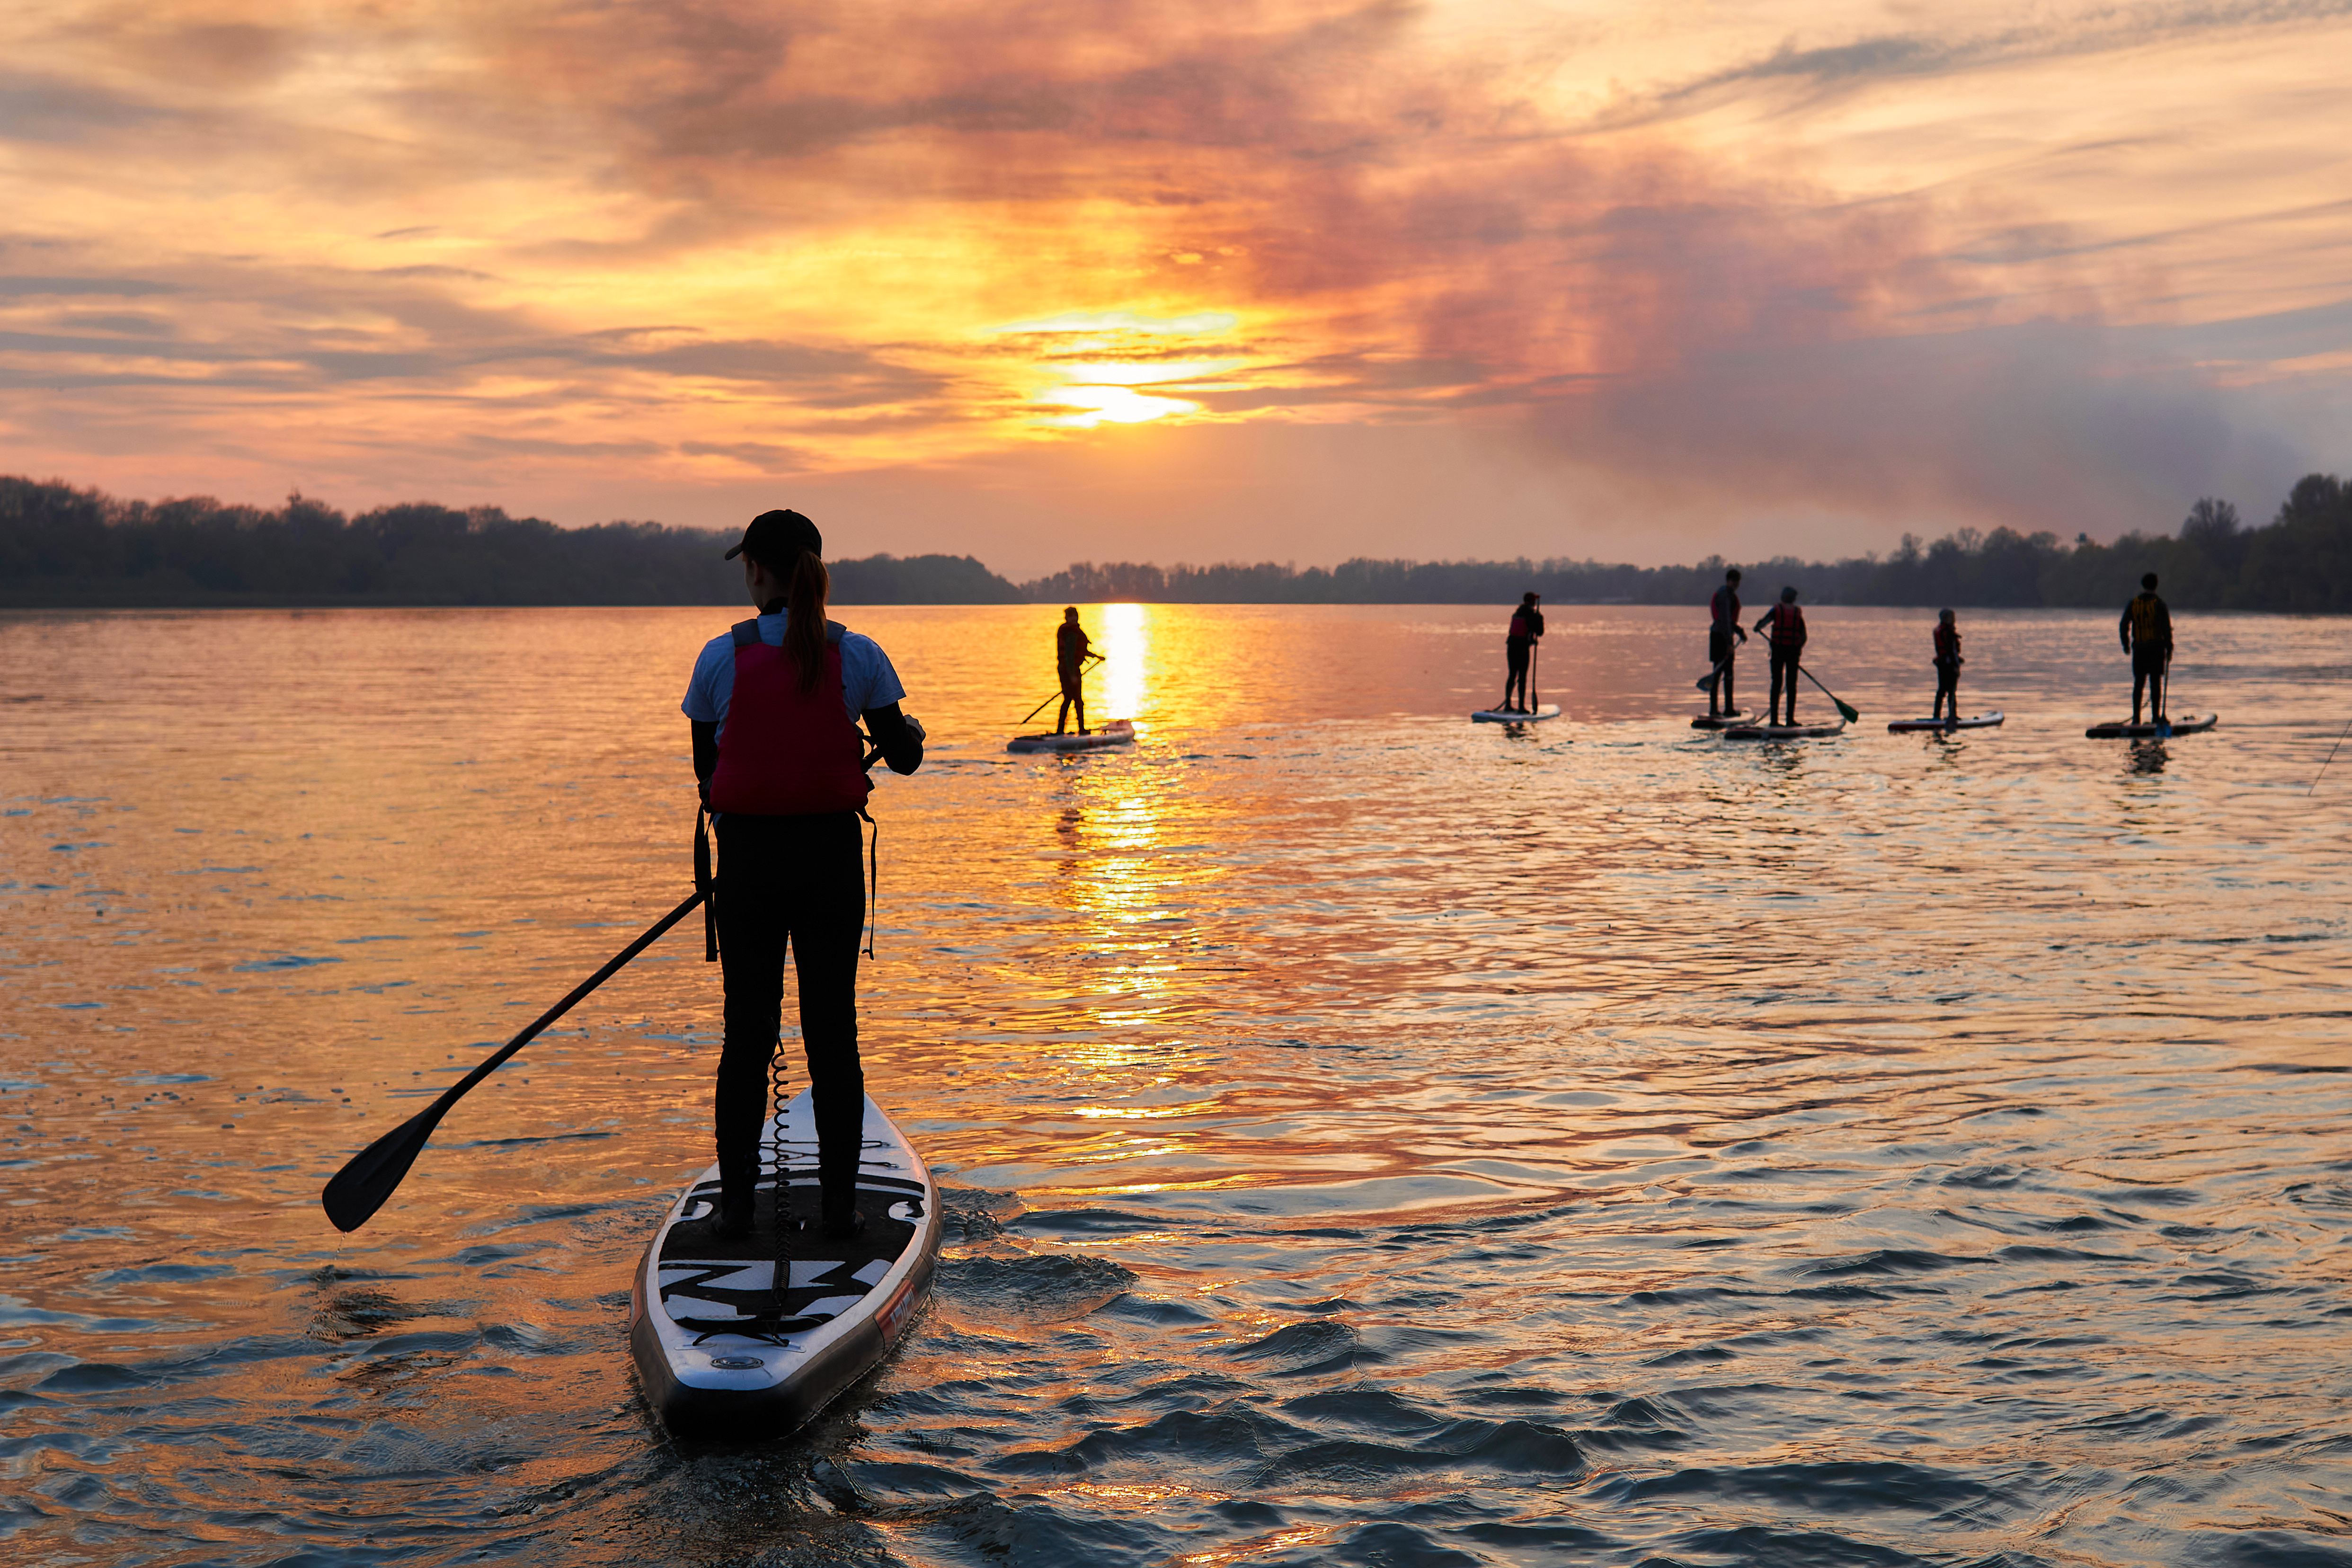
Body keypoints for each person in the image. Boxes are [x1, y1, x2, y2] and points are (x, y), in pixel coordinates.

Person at [682, 508, 926, 1243]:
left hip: (749, 869)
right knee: (833, 1033)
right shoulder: (860, 655)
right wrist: (902, 733)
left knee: (746, 1037)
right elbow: (905, 757)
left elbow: (708, 772)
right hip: (828, 866)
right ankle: (841, 1214)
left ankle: (734, 1216)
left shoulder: (719, 658)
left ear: (757, 571)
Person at [2121, 572, 2173, 724]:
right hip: (2156, 649)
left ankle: (2136, 718)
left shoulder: (2133, 603)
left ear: (2143, 585)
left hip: (2140, 649)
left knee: (2139, 683)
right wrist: (2169, 649)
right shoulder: (2160, 604)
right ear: (2156, 585)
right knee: (2155, 683)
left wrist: (2126, 645)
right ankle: (2156, 718)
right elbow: (2166, 629)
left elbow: (2124, 625)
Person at [1752, 586, 1808, 726]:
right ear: (1793, 599)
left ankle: (1774, 721)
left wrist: (1757, 627)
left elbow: (1761, 624)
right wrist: (1798, 648)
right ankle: (1790, 720)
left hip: (1778, 651)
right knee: (1791, 686)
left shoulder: (1776, 610)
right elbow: (1804, 636)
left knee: (1777, 684)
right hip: (1793, 653)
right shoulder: (1797, 613)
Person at [1707, 569, 1746, 717]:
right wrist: (1729, 643)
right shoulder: (1726, 596)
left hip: (1720, 636)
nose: (1738, 584)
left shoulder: (1727, 594)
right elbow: (1725, 621)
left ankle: (1721, 709)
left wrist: (1740, 632)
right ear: (1731, 581)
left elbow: (1729, 621)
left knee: (1723, 673)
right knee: (1724, 674)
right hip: (1721, 638)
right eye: (1737, 581)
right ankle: (1721, 710)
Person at [1502, 592, 1544, 711]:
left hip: (1511, 647)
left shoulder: (1517, 613)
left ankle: (1508, 704)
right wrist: (1540, 618)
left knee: (1512, 675)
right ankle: (1521, 707)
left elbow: (1523, 632)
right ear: (1533, 602)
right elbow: (1539, 632)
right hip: (1522, 649)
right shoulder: (1532, 615)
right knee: (1522, 677)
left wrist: (1531, 641)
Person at [1056, 607, 1092, 735]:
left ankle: (1062, 730)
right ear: (1066, 618)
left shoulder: (1073, 631)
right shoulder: (1069, 632)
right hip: (1068, 670)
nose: (1073, 618)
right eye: (1070, 616)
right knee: (1074, 699)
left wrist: (1095, 656)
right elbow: (1069, 656)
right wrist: (1072, 675)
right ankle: (1078, 730)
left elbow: (1078, 650)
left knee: (1072, 698)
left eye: (1074, 616)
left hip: (1068, 668)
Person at [1931, 609, 1964, 722]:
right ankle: (1953, 716)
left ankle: (1936, 716)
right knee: (1951, 691)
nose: (1954, 620)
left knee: (1942, 690)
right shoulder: (1948, 632)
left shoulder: (1940, 631)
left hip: (1942, 664)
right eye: (1952, 618)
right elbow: (1952, 651)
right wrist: (1956, 666)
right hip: (1949, 666)